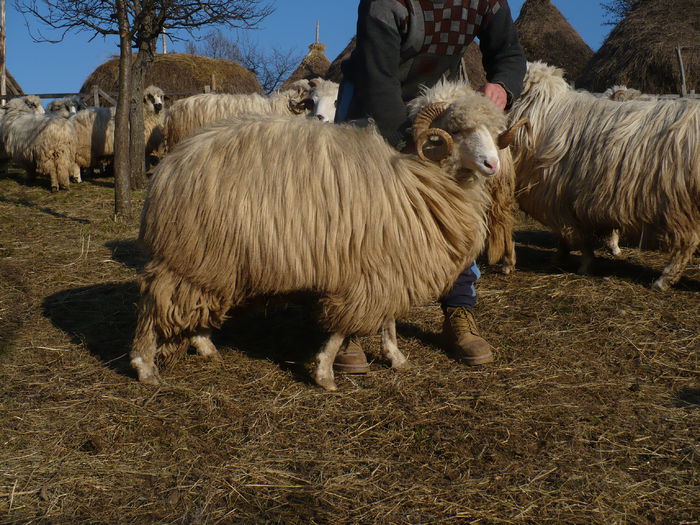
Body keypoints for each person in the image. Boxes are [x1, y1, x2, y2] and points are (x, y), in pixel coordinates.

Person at [333, 0, 526, 373]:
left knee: (456, 205)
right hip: (371, 96)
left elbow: (508, 52)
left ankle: (458, 310)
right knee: (362, 207)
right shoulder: (387, 3)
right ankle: (349, 322)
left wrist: (503, 85)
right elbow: (378, 75)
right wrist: (409, 141)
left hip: (439, 98)